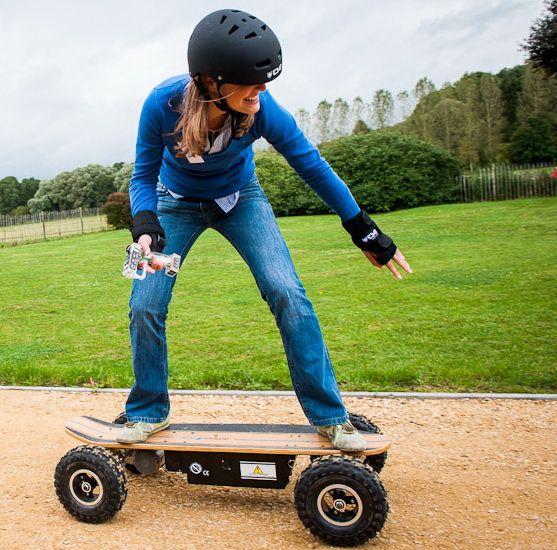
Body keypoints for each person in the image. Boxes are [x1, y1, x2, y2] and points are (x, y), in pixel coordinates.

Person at [119, 10, 412, 450]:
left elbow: (309, 163)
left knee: (287, 292)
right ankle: (147, 413)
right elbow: (141, 175)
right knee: (146, 304)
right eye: (251, 82)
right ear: (211, 83)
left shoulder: (260, 109)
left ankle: (332, 418)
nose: (262, 92)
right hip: (173, 204)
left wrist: (363, 229)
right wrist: (145, 223)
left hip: (241, 199)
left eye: (265, 82)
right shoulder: (162, 104)